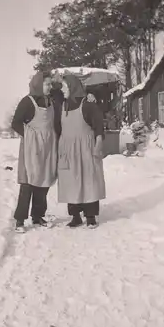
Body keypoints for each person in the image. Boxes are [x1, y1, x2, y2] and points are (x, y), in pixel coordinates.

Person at [11, 72, 59, 233]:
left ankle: (38, 216)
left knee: (43, 182)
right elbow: (16, 123)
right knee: (28, 183)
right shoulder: (27, 102)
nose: (50, 87)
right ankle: (19, 220)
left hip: (47, 147)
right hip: (31, 148)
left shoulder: (50, 102)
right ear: (38, 84)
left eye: (50, 84)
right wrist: (31, 137)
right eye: (47, 84)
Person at [57, 74, 106, 229]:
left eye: (65, 86)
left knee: (88, 180)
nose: (62, 89)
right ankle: (75, 216)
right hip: (68, 149)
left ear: (72, 87)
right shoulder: (62, 105)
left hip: (85, 148)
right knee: (71, 182)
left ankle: (90, 216)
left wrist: (98, 144)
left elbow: (99, 125)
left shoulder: (88, 105)